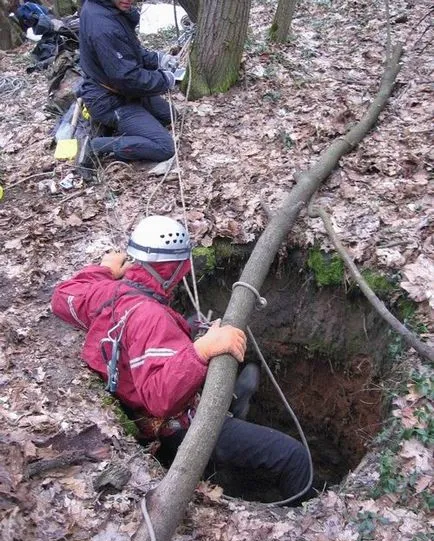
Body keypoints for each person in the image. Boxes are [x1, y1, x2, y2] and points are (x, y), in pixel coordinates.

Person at [51, 216, 311, 501]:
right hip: (178, 431)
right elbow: (160, 398)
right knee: (295, 458)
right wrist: (201, 350)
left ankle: (234, 405)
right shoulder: (152, 319)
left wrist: (103, 270)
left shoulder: (109, 291)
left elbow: (63, 297)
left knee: (190, 327)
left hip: (138, 398)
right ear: (172, 271)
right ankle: (301, 515)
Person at [77, 0, 178, 166]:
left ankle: (133, 127)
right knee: (165, 147)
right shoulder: (103, 26)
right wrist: (164, 80)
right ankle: (97, 146)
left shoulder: (108, 8)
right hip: (110, 100)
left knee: (171, 116)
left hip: (124, 90)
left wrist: (157, 60)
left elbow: (128, 49)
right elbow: (127, 77)